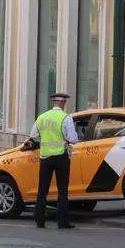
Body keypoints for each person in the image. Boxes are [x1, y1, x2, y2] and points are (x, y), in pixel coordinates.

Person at [30, 92, 79, 229]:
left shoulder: (42, 117)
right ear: (63, 103)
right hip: (61, 157)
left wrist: (44, 141)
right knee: (62, 190)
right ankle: (62, 222)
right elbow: (73, 138)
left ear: (53, 103)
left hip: (45, 157)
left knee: (42, 189)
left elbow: (33, 135)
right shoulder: (65, 118)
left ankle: (39, 220)